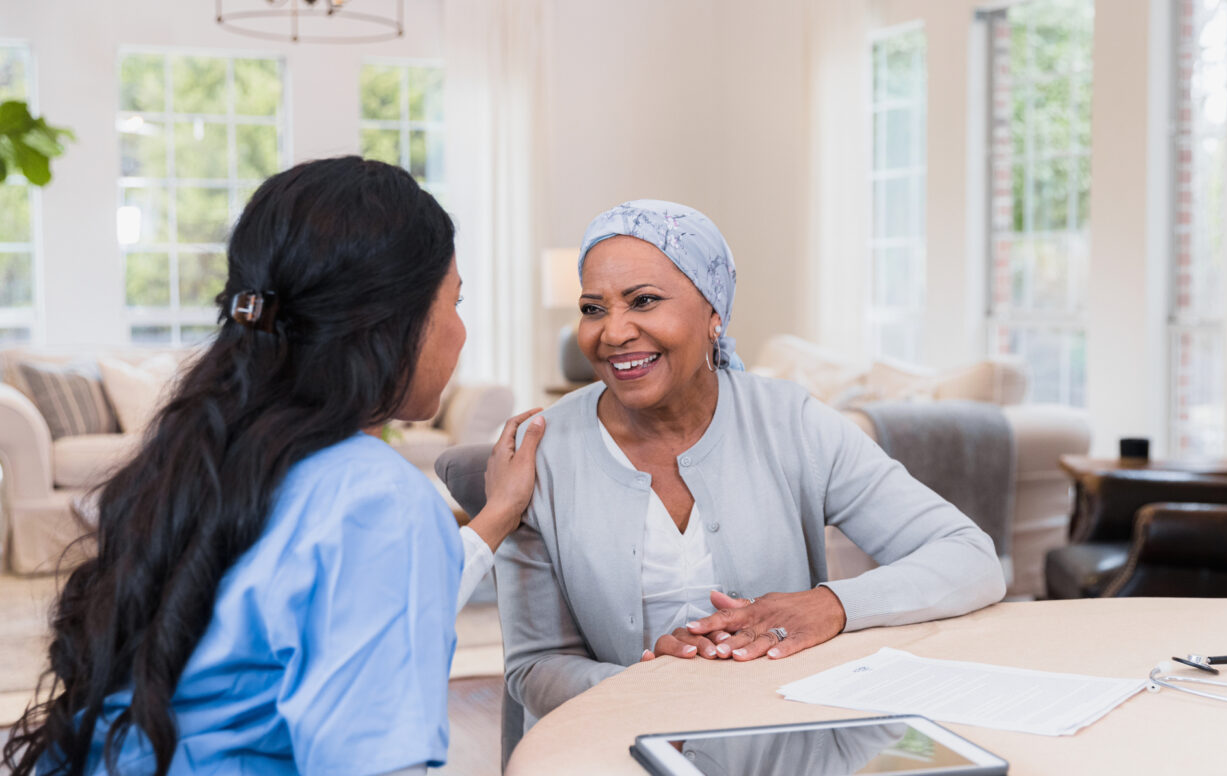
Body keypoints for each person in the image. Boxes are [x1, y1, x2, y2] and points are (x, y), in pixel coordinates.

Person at [2, 157, 545, 776]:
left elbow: (342, 609)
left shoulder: (215, 450)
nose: (461, 329)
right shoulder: (378, 499)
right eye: (456, 300)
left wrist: (495, 517)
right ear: (392, 320)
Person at [495, 199, 1006, 735]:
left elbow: (969, 557)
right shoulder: (543, 451)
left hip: (784, 746)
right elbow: (534, 668)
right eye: (593, 308)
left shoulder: (792, 422)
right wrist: (652, 683)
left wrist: (829, 604)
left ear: (714, 313)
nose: (613, 332)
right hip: (618, 747)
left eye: (643, 301)